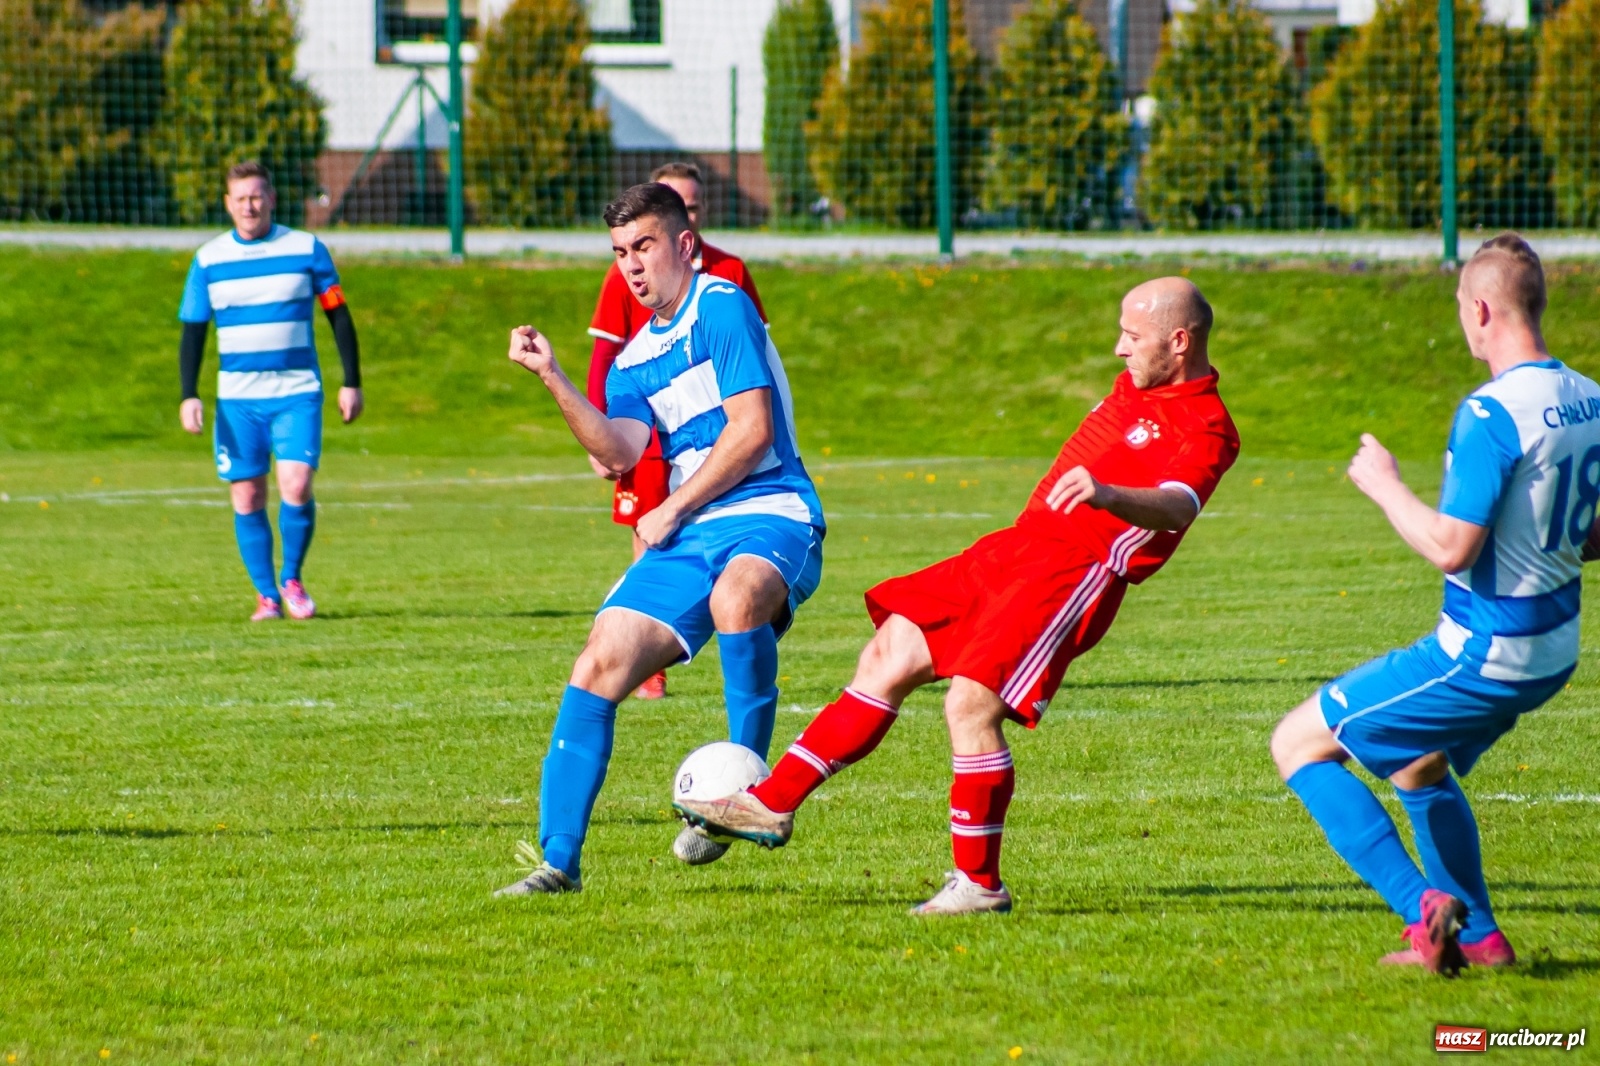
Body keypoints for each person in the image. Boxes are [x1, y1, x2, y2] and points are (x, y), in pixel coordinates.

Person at [677, 277, 1239, 915]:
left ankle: (979, 885)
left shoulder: (1209, 426)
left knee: (971, 706)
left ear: (1180, 341)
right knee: (888, 652)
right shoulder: (1136, 385)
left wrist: (1108, 495)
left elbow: (1176, 506)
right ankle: (771, 803)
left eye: (1132, 337)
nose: (1118, 349)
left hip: (1075, 571)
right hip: (1015, 548)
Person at [1269, 234, 1597, 976]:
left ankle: (1426, 913)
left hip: (1486, 651)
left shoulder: (1490, 414)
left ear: (1480, 308)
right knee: (1417, 765)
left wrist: (1384, 483)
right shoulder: (1588, 396)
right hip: (1555, 648)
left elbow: (1452, 547)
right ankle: (1481, 943)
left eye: (1459, 307)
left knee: (1295, 745)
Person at [495, 182, 824, 894]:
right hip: (691, 530)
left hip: (772, 510)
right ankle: (559, 864)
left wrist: (671, 507)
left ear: (682, 244)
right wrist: (551, 377)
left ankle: (747, 799)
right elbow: (617, 451)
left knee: (740, 598)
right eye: (619, 253)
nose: (632, 267)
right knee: (598, 662)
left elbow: (752, 431)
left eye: (643, 246)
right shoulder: (633, 359)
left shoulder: (723, 306)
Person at [586, 162, 767, 701]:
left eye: (692, 205)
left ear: (695, 219)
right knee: (650, 530)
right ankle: (649, 660)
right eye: (677, 202)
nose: (632, 262)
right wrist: (599, 421)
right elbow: (605, 350)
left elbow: (756, 355)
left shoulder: (729, 273)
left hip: (720, 434)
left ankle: (734, 639)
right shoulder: (633, 266)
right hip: (648, 425)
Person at [177, 161, 363, 621]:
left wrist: (351, 380)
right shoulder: (209, 260)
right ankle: (266, 596)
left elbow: (338, 315)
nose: (249, 205)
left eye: (257, 196)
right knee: (247, 495)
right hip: (237, 400)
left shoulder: (306, 248)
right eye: (240, 198)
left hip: (297, 390)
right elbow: (193, 332)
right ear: (227, 204)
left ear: (272, 198)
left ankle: (292, 579)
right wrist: (189, 393)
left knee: (296, 484)